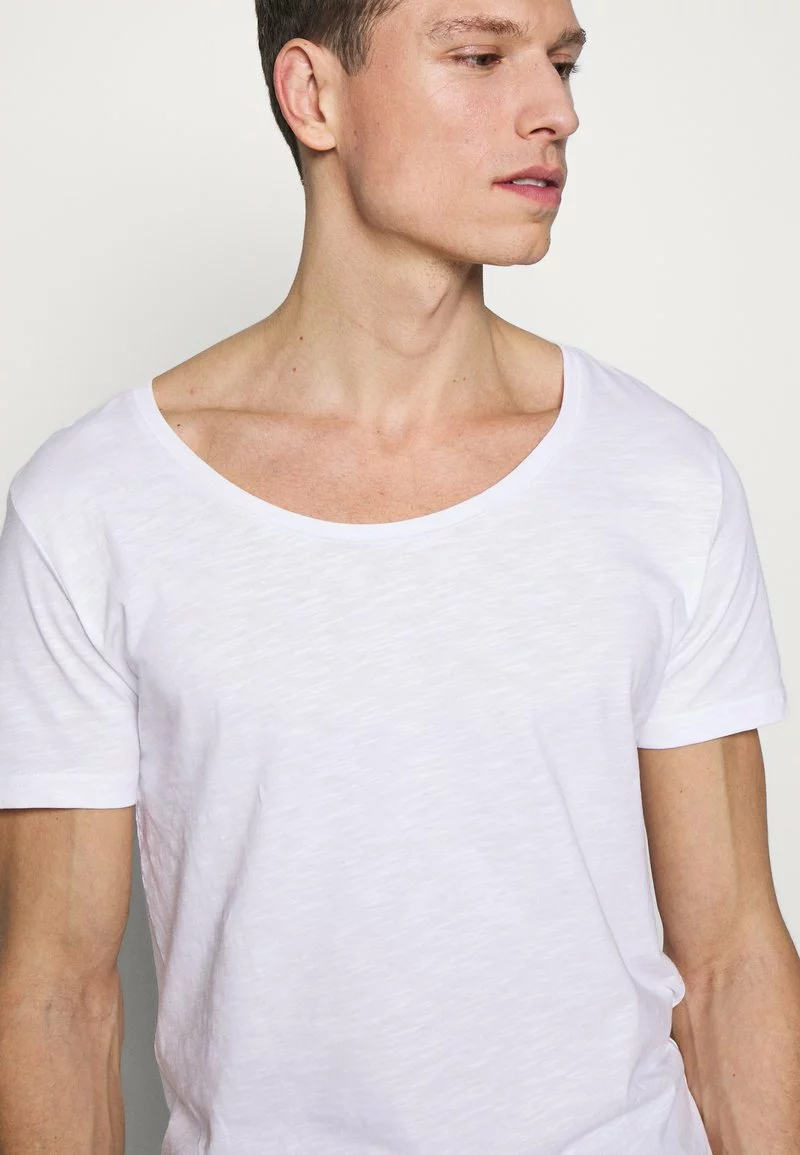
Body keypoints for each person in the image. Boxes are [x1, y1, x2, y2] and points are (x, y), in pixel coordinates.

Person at [0, 1, 796, 1153]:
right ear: (313, 95)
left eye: (560, 63)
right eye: (478, 57)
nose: (554, 112)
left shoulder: (660, 476)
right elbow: (56, 997)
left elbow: (730, 958)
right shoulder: (95, 505)